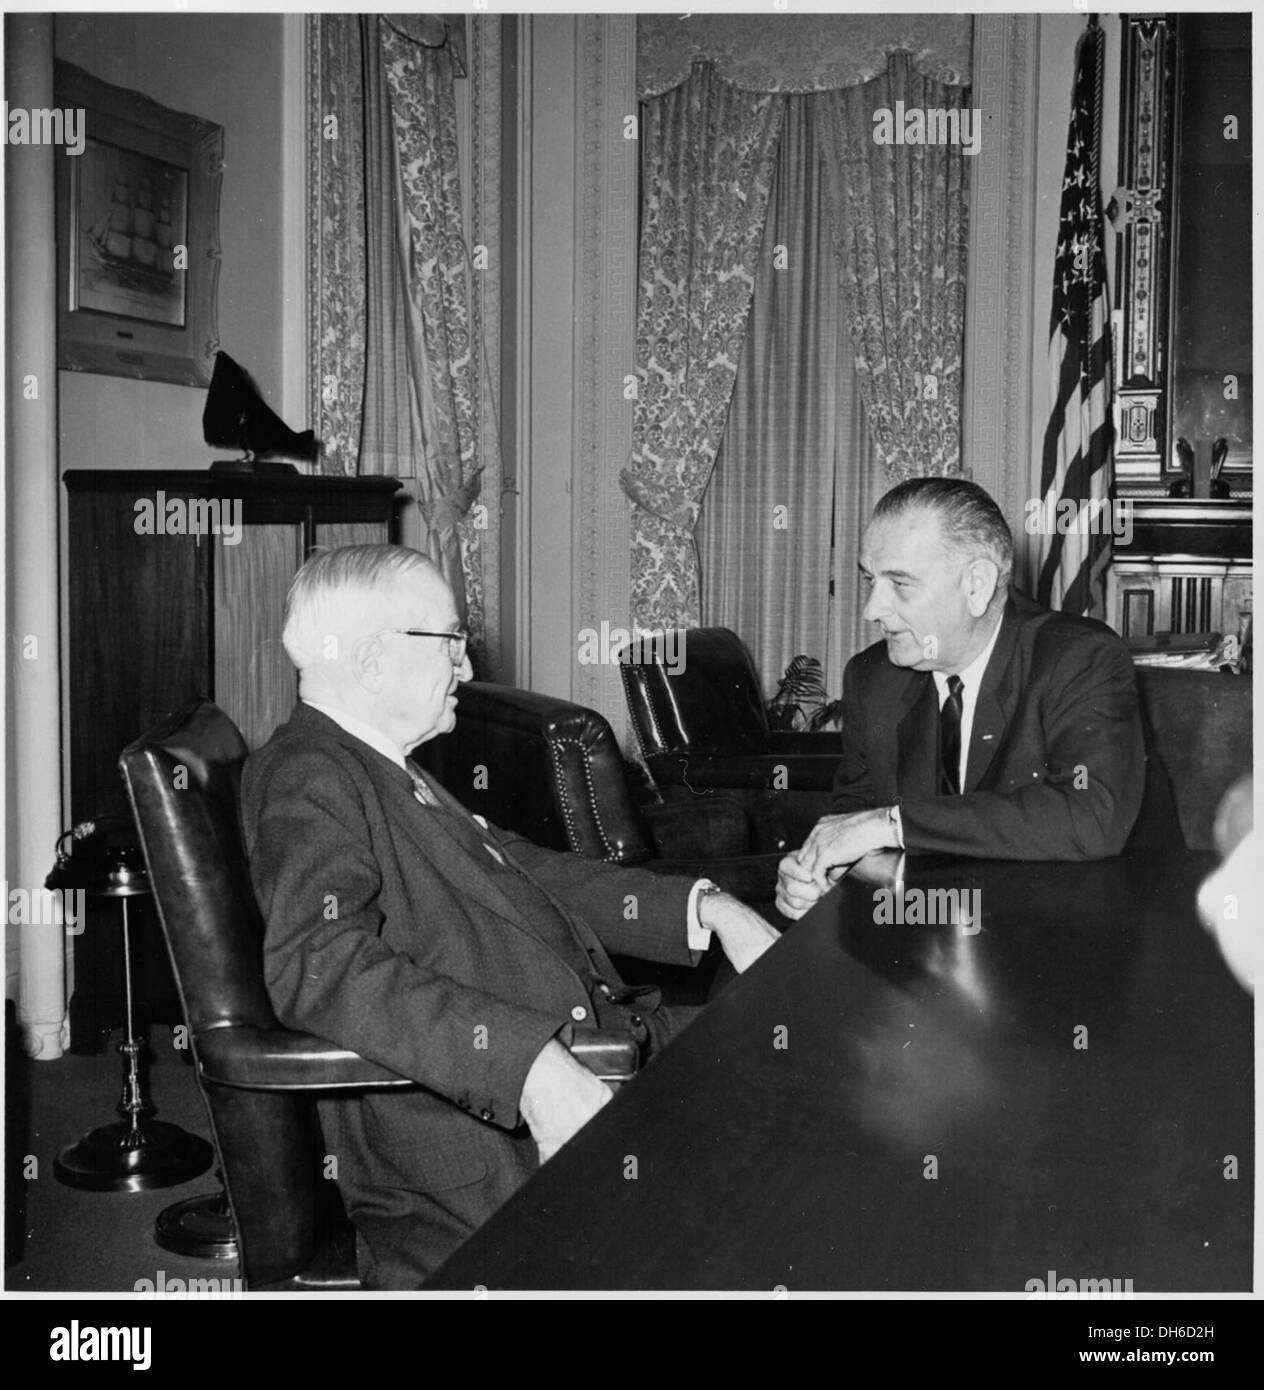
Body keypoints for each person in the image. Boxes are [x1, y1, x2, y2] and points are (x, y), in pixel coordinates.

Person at [241, 544, 779, 1287]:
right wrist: (524, 1067)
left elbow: (525, 865)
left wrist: (706, 907)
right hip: (489, 1149)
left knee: (793, 1057)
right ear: (370, 662)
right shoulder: (309, 772)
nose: (465, 667)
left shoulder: (378, 761)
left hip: (589, 1056)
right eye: (451, 643)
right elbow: (318, 963)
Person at [777, 477, 1145, 921]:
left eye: (900, 584)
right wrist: (820, 874)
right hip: (928, 933)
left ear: (977, 585)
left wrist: (892, 824)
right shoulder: (872, 678)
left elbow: (1091, 816)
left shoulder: (1077, 658)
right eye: (870, 580)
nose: (872, 610)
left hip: (1072, 927)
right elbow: (854, 815)